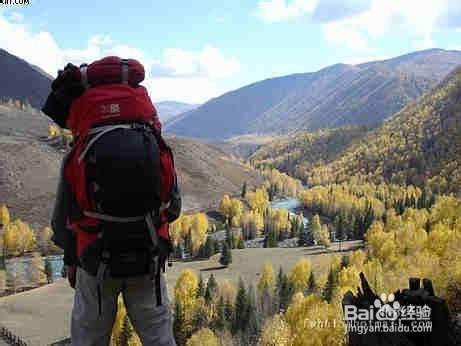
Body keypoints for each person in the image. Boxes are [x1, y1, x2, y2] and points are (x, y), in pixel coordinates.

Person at [46, 57, 180, 346]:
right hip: (147, 255)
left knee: (89, 336)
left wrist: (72, 257)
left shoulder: (80, 150)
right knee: (158, 335)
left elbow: (61, 221)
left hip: (95, 259)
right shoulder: (151, 136)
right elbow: (174, 206)